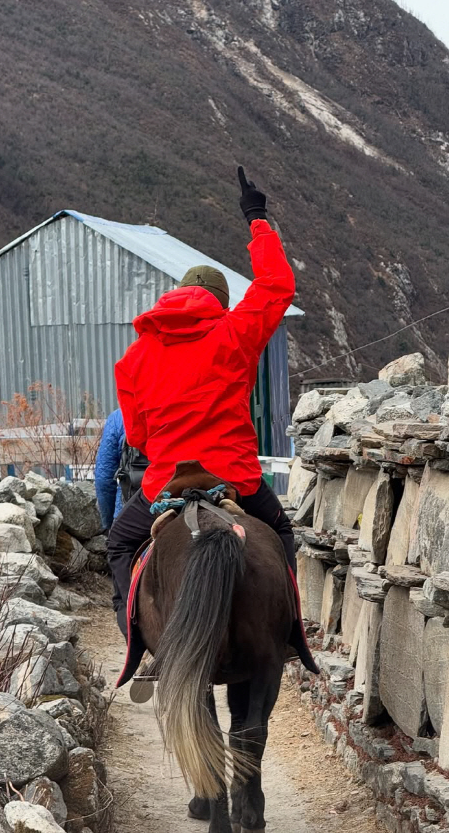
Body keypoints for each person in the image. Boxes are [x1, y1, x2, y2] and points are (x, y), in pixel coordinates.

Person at [107, 167, 297, 634]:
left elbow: (139, 437)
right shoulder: (234, 333)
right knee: (283, 534)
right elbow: (277, 286)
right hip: (234, 476)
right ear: (219, 302)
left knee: (117, 543)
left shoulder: (135, 356)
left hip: (165, 481)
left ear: (177, 295)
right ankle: (293, 634)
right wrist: (256, 218)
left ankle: (132, 635)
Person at [94, 408, 125, 533]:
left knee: (119, 550)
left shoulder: (119, 417)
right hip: (179, 505)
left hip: (127, 509)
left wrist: (109, 523)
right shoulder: (184, 409)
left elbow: (104, 479)